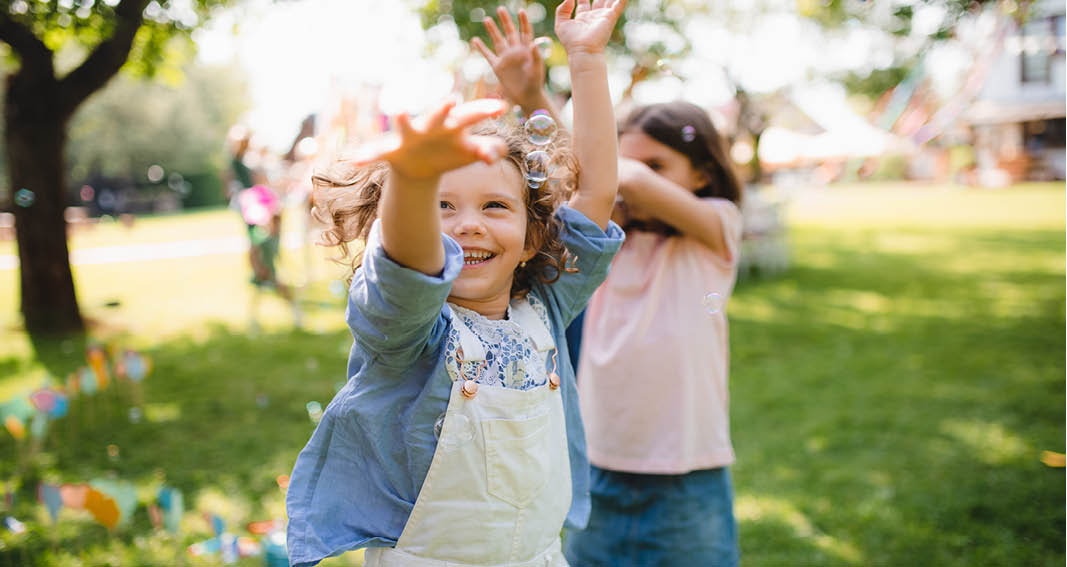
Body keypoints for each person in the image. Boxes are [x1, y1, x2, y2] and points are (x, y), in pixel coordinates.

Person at [284, 2, 626, 566]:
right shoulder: (408, 330)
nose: (469, 223)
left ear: (534, 238)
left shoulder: (544, 303)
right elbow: (410, 268)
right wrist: (412, 179)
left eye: (495, 205)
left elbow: (593, 196)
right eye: (441, 206)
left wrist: (586, 59)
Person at [566, 102, 746, 566]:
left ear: (703, 176)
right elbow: (578, 158)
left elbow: (612, 172)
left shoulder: (716, 227)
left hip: (686, 474)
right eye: (626, 160)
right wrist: (531, 96)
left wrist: (608, 168)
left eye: (656, 164)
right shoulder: (605, 244)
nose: (632, 178)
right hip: (599, 467)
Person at [225, 126, 302, 330]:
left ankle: (293, 314)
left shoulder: (263, 194)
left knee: (268, 278)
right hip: (260, 238)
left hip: (265, 240)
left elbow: (269, 221)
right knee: (262, 280)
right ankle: (260, 320)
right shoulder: (252, 193)